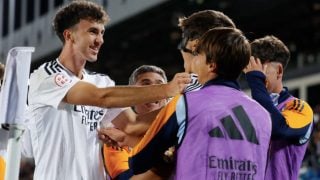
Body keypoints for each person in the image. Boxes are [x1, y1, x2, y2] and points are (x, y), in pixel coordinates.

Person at [25, 1, 190, 180]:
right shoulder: (46, 76)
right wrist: (168, 89)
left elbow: (133, 124)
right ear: (69, 35)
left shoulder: (101, 81)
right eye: (93, 31)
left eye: (102, 32)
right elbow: (101, 97)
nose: (100, 40)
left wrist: (184, 105)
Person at [127, 27, 272, 179]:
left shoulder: (185, 103)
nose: (193, 62)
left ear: (211, 65)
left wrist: (171, 155)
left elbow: (138, 161)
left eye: (197, 55)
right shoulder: (263, 115)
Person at [244, 35, 314, 180]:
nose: (253, 76)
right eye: (250, 70)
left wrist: (256, 81)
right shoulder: (248, 109)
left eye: (260, 70)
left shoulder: (298, 107)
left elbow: (277, 128)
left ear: (279, 71)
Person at [102, 65, 169, 180]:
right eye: (145, 84)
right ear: (131, 96)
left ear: (167, 97)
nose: (154, 89)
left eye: (160, 85)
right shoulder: (115, 135)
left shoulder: (181, 127)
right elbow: (124, 177)